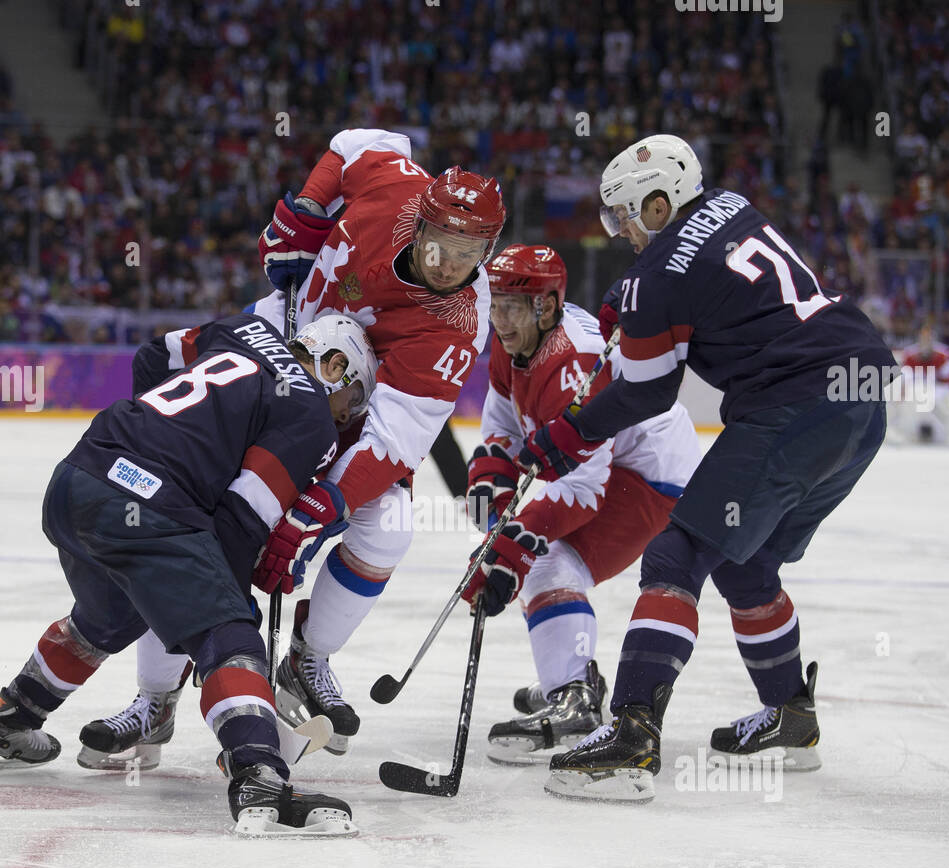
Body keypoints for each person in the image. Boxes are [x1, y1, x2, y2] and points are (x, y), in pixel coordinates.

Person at [79, 129, 505, 759]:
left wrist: (310, 515)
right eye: (440, 243)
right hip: (280, 338)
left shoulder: (457, 325)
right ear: (421, 223)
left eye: (468, 253)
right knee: (189, 519)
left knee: (387, 528)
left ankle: (308, 657)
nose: (448, 263)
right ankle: (155, 699)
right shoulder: (396, 187)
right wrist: (305, 211)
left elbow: (392, 440)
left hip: (346, 410)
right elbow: (358, 142)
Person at [520, 135, 893, 802]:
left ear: (658, 204)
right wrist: (632, 309)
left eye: (623, 215)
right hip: (860, 397)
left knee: (676, 554)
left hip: (796, 402)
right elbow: (707, 292)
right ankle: (790, 714)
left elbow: (644, 392)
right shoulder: (730, 204)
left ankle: (632, 735)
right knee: (744, 564)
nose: (621, 231)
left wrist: (564, 437)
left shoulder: (653, 274)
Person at [0, 312, 378, 836]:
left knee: (107, 617)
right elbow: (242, 519)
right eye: (352, 399)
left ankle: (9, 722)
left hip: (80, 474)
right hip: (146, 500)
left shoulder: (242, 330)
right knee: (227, 632)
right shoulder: (312, 413)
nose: (345, 416)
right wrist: (225, 605)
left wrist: (171, 442)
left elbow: (153, 357)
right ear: (334, 365)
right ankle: (258, 772)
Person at [459, 244, 699, 763]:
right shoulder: (516, 337)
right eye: (492, 304)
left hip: (649, 474)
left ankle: (574, 698)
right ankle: (570, 676)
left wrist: (512, 546)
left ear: (546, 307)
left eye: (510, 307)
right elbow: (502, 416)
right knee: (528, 553)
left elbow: (583, 492)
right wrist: (491, 482)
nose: (498, 319)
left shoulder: (575, 364)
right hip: (616, 465)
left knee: (545, 562)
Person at [892, 320, 949, 444]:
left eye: (928, 335)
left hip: (937, 389)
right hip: (917, 391)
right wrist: (901, 396)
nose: (926, 339)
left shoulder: (943, 353)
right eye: (923, 335)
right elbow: (906, 379)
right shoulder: (910, 354)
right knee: (904, 406)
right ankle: (899, 433)